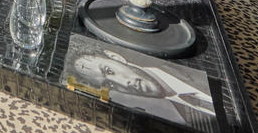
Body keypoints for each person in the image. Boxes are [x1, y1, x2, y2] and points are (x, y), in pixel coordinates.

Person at [72, 48, 215, 125]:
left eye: (109, 70)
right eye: (109, 84)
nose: (124, 83)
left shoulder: (195, 64)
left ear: (116, 57)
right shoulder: (165, 119)